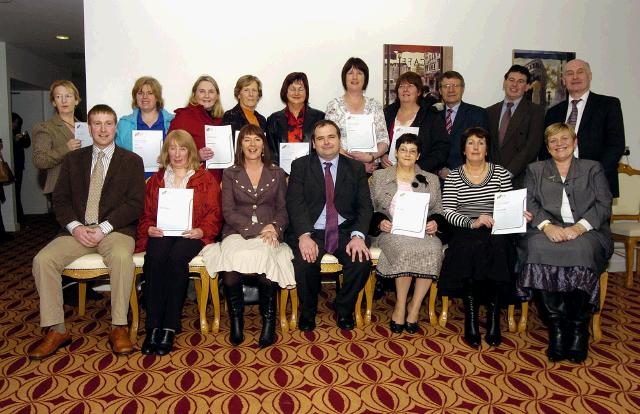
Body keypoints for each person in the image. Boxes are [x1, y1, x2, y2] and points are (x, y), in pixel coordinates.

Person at [29, 104, 145, 360]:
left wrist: (104, 227)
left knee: (122, 258)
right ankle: (56, 329)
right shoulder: (73, 160)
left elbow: (135, 204)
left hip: (115, 230)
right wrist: (75, 227)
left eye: (108, 123)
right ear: (89, 127)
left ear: (116, 127)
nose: (103, 129)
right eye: (97, 123)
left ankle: (119, 326)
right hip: (77, 231)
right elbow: (60, 200)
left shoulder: (132, 161)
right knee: (42, 260)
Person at [518, 123, 613, 363]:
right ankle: (557, 328)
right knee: (536, 248)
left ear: (575, 141)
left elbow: (603, 204)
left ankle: (578, 328)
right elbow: (529, 203)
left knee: (582, 250)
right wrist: (547, 227)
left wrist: (578, 227)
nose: (559, 144)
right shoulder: (535, 169)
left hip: (587, 232)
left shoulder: (593, 168)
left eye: (564, 139)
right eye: (553, 141)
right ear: (547, 146)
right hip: (547, 231)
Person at [203, 124, 294, 347]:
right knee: (231, 265)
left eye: (257, 140)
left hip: (270, 232)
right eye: (247, 140)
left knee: (266, 261)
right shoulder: (230, 173)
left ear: (263, 144)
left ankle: (268, 322)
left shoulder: (277, 172)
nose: (252, 144)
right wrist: (259, 229)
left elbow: (283, 209)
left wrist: (274, 228)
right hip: (237, 232)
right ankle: (236, 320)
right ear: (240, 145)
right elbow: (228, 212)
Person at [135, 129, 222, 355]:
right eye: (172, 148)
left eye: (182, 148)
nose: (177, 153)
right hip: (162, 233)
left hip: (190, 234)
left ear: (190, 151)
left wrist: (201, 230)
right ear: (166, 152)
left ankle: (170, 326)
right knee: (154, 258)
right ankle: (153, 325)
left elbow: (215, 213)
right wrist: (149, 228)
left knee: (176, 259)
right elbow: (145, 215)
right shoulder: (156, 180)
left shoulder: (205, 179)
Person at [440, 127, 525, 349]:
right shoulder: (454, 176)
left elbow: (508, 205)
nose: (476, 147)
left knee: (497, 247)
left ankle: (494, 318)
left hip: (495, 228)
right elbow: (447, 210)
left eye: (480, 142)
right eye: (470, 143)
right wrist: (472, 222)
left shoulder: (501, 173)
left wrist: (520, 213)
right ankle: (471, 319)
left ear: (487, 149)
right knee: (470, 246)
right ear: (464, 149)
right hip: (465, 226)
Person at [286, 119, 373, 332]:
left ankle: (343, 308)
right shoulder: (300, 166)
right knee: (305, 262)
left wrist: (358, 236)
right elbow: (295, 203)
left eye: (331, 137)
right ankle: (308, 311)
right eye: (320, 138)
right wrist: (304, 235)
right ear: (313, 143)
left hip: (345, 230)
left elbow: (365, 206)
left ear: (339, 140)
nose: (326, 142)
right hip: (312, 229)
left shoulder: (355, 168)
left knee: (361, 261)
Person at [369, 134, 444, 333]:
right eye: (403, 149)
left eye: (412, 151)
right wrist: (380, 222)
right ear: (396, 152)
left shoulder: (431, 179)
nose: (407, 154)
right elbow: (369, 209)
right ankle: (401, 305)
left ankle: (415, 307)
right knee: (404, 249)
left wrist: (435, 223)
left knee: (434, 248)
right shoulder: (380, 177)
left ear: (418, 155)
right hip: (392, 230)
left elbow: (438, 210)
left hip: (422, 231)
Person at [541, 59, 625, 197]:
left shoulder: (609, 105)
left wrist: (591, 175)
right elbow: (545, 148)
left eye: (580, 72)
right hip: (558, 187)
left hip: (596, 185)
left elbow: (616, 146)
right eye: (569, 73)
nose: (575, 77)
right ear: (563, 80)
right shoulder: (553, 112)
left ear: (589, 76)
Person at [325, 57, 389, 173]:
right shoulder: (334, 105)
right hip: (342, 169)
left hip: (372, 169)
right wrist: (357, 165)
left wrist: (370, 158)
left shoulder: (375, 105)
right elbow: (329, 140)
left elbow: (384, 140)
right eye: (350, 73)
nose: (354, 77)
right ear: (344, 78)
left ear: (365, 78)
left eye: (359, 73)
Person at [486, 65, 544, 189]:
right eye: (511, 80)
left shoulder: (536, 112)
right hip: (491, 180)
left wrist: (507, 173)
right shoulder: (490, 111)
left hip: (521, 180)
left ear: (527, 87)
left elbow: (532, 147)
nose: (514, 85)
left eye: (520, 81)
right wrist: (491, 174)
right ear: (504, 83)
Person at [382, 71, 449, 174]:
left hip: (421, 176)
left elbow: (441, 149)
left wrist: (419, 167)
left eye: (410, 86)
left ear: (419, 92)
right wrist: (382, 156)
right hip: (389, 175)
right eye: (401, 86)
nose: (405, 89)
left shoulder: (431, 116)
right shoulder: (387, 114)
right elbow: (380, 140)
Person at [169, 75, 224, 182]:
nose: (206, 95)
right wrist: (196, 156)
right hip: (191, 180)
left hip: (217, 182)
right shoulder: (183, 117)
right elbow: (169, 151)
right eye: (202, 91)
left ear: (217, 96)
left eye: (211, 92)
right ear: (194, 95)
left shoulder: (222, 120)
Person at [115, 76, 174, 177]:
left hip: (166, 181)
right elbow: (116, 155)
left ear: (157, 97)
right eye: (140, 93)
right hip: (132, 181)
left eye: (150, 93)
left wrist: (168, 158)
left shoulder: (173, 122)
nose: (144, 97)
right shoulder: (124, 124)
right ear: (135, 97)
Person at [435, 71, 489, 181]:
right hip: (436, 180)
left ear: (462, 89)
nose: (451, 90)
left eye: (455, 85)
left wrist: (455, 173)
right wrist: (439, 170)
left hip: (468, 180)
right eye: (446, 86)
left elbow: (481, 149)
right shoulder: (433, 115)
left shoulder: (478, 114)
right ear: (440, 91)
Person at [32, 80, 83, 196]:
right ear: (54, 102)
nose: (64, 100)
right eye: (59, 96)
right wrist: (66, 148)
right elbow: (39, 160)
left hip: (84, 187)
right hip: (61, 190)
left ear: (76, 100)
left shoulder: (85, 127)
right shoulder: (45, 127)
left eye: (68, 96)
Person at [265, 72, 325, 165]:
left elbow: (323, 147)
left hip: (313, 172)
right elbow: (271, 152)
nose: (296, 93)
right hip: (282, 175)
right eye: (292, 89)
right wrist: (280, 174)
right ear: (285, 92)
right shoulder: (273, 120)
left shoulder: (320, 117)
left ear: (306, 92)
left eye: (300, 89)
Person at [12, 112, 31, 223]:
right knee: (15, 193)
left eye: (17, 123)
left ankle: (20, 217)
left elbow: (27, 144)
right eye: (14, 122)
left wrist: (25, 137)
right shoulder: (8, 134)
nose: (15, 125)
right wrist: (14, 141)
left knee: (17, 192)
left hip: (19, 166)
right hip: (13, 166)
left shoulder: (17, 132)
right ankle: (18, 217)